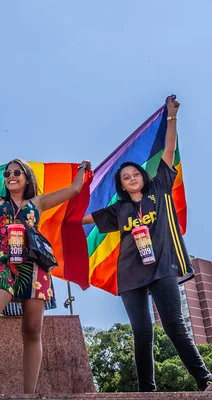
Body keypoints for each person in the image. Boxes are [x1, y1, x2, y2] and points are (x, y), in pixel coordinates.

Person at [82, 97, 212, 392]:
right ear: (122, 185)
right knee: (142, 332)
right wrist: (53, 207)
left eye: (135, 174)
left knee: (175, 326)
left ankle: (205, 379)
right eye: (125, 177)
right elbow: (81, 219)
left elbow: (168, 150)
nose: (132, 178)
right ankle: (146, 392)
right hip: (130, 274)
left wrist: (172, 117)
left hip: (162, 267)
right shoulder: (118, 210)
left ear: (143, 176)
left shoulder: (159, 189)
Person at [0, 158, 91, 394]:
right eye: (7, 173)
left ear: (27, 177)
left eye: (17, 172)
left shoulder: (38, 202)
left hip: (34, 264)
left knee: (33, 329)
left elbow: (74, 190)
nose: (11, 176)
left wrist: (82, 170)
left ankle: (29, 393)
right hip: (2, 262)